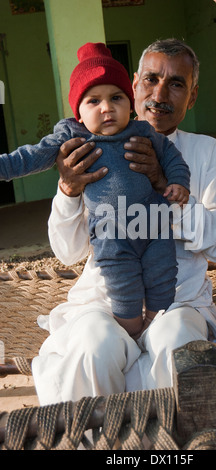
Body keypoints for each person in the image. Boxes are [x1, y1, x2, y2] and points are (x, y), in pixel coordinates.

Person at [31, 38, 216, 405]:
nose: (160, 94)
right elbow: (67, 253)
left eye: (177, 84)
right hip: (103, 299)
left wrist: (166, 187)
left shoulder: (204, 152)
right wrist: (67, 189)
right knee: (94, 347)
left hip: (178, 301)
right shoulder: (88, 148)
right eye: (151, 79)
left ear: (191, 98)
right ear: (133, 85)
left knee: (179, 348)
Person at [0, 42, 191, 338]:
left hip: (154, 225)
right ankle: (132, 336)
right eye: (93, 101)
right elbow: (31, 156)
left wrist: (177, 183)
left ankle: (153, 331)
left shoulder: (143, 131)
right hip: (110, 235)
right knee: (123, 291)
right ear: (77, 112)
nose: (107, 108)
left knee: (162, 280)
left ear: (130, 103)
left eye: (116, 97)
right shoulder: (72, 137)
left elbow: (172, 158)